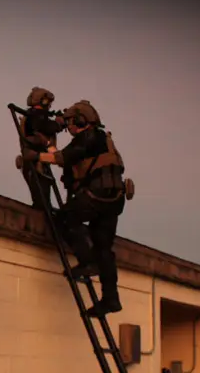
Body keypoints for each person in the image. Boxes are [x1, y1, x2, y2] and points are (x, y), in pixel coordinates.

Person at [22, 100, 134, 316]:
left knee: (64, 218)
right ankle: (111, 299)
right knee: (104, 247)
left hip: (96, 197)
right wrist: (49, 146)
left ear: (82, 121)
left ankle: (87, 261)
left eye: (71, 122)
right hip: (113, 201)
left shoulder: (88, 137)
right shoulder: (103, 139)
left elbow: (62, 158)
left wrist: (35, 156)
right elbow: (69, 157)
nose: (69, 127)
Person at [16, 87, 65, 209]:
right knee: (41, 196)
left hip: (39, 159)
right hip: (35, 159)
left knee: (43, 191)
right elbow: (47, 127)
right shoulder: (35, 116)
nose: (49, 106)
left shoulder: (34, 116)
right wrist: (59, 123)